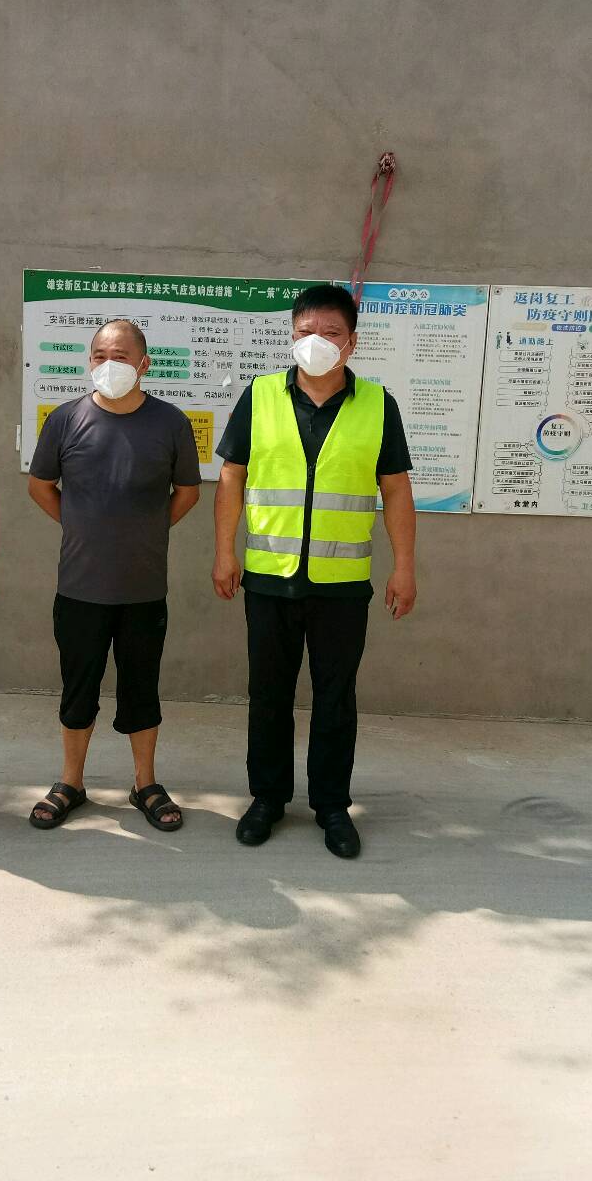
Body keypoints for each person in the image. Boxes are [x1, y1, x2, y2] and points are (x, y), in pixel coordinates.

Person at [212, 284, 417, 859]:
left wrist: (404, 567)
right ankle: (267, 799)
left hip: (342, 586)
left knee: (335, 698)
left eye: (331, 333)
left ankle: (331, 805)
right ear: (291, 334)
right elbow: (232, 475)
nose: (317, 342)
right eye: (307, 331)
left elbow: (396, 489)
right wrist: (224, 551)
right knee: (268, 695)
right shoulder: (259, 396)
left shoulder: (378, 404)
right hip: (269, 577)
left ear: (352, 342)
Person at [27, 319, 201, 832]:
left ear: (144, 364)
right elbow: (40, 486)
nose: (109, 365)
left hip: (143, 589)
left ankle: (145, 783)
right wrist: (80, 525)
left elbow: (187, 492)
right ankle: (71, 782)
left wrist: (147, 529)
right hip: (79, 587)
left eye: (120, 356)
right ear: (89, 361)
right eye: (100, 356)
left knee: (141, 689)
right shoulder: (65, 419)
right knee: (77, 689)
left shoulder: (170, 422)